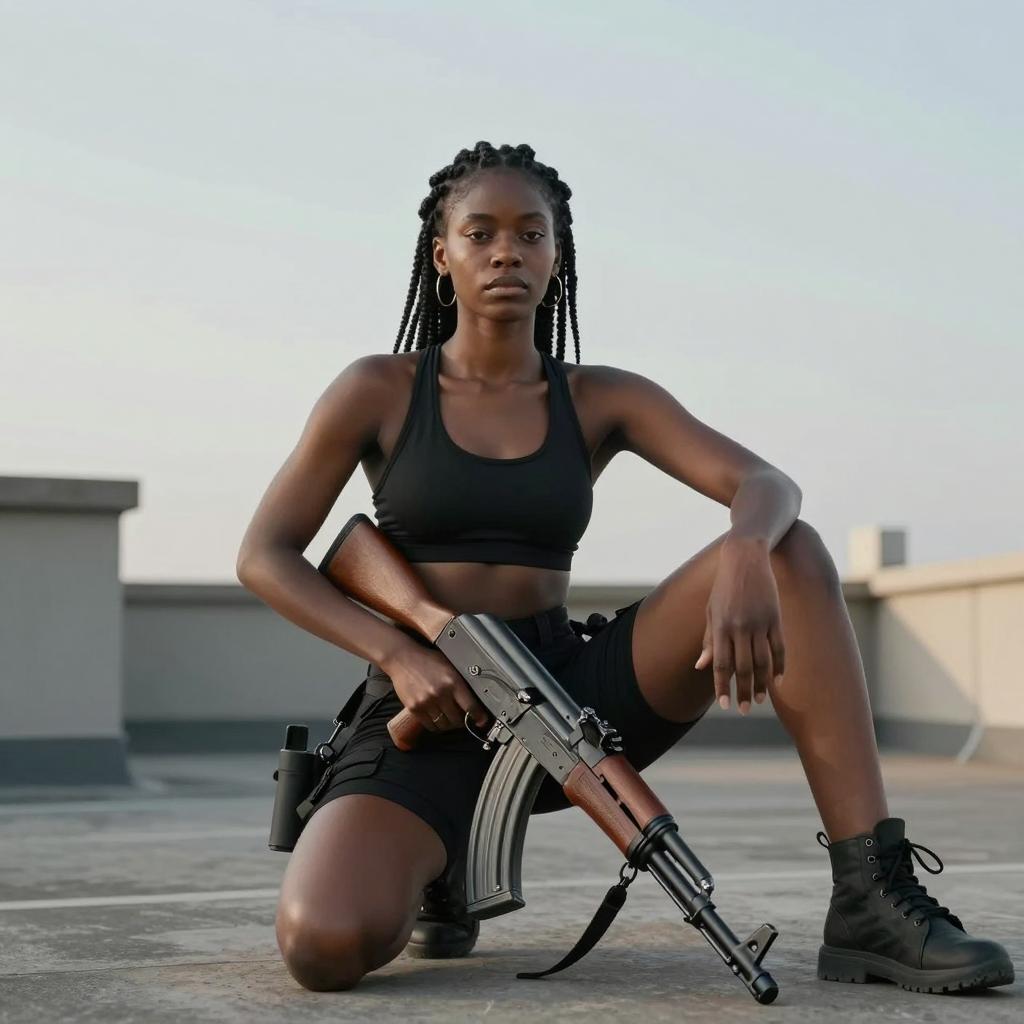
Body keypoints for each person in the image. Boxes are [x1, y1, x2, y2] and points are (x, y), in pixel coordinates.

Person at [236, 141, 1015, 995]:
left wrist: (746, 550)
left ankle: (869, 896)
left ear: (556, 255)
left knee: (791, 548)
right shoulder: (378, 389)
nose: (506, 252)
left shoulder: (597, 397)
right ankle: (438, 865)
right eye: (481, 233)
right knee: (322, 945)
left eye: (531, 234)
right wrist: (397, 652)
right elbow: (265, 554)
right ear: (442, 254)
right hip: (427, 707)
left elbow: (766, 484)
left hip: (564, 690)